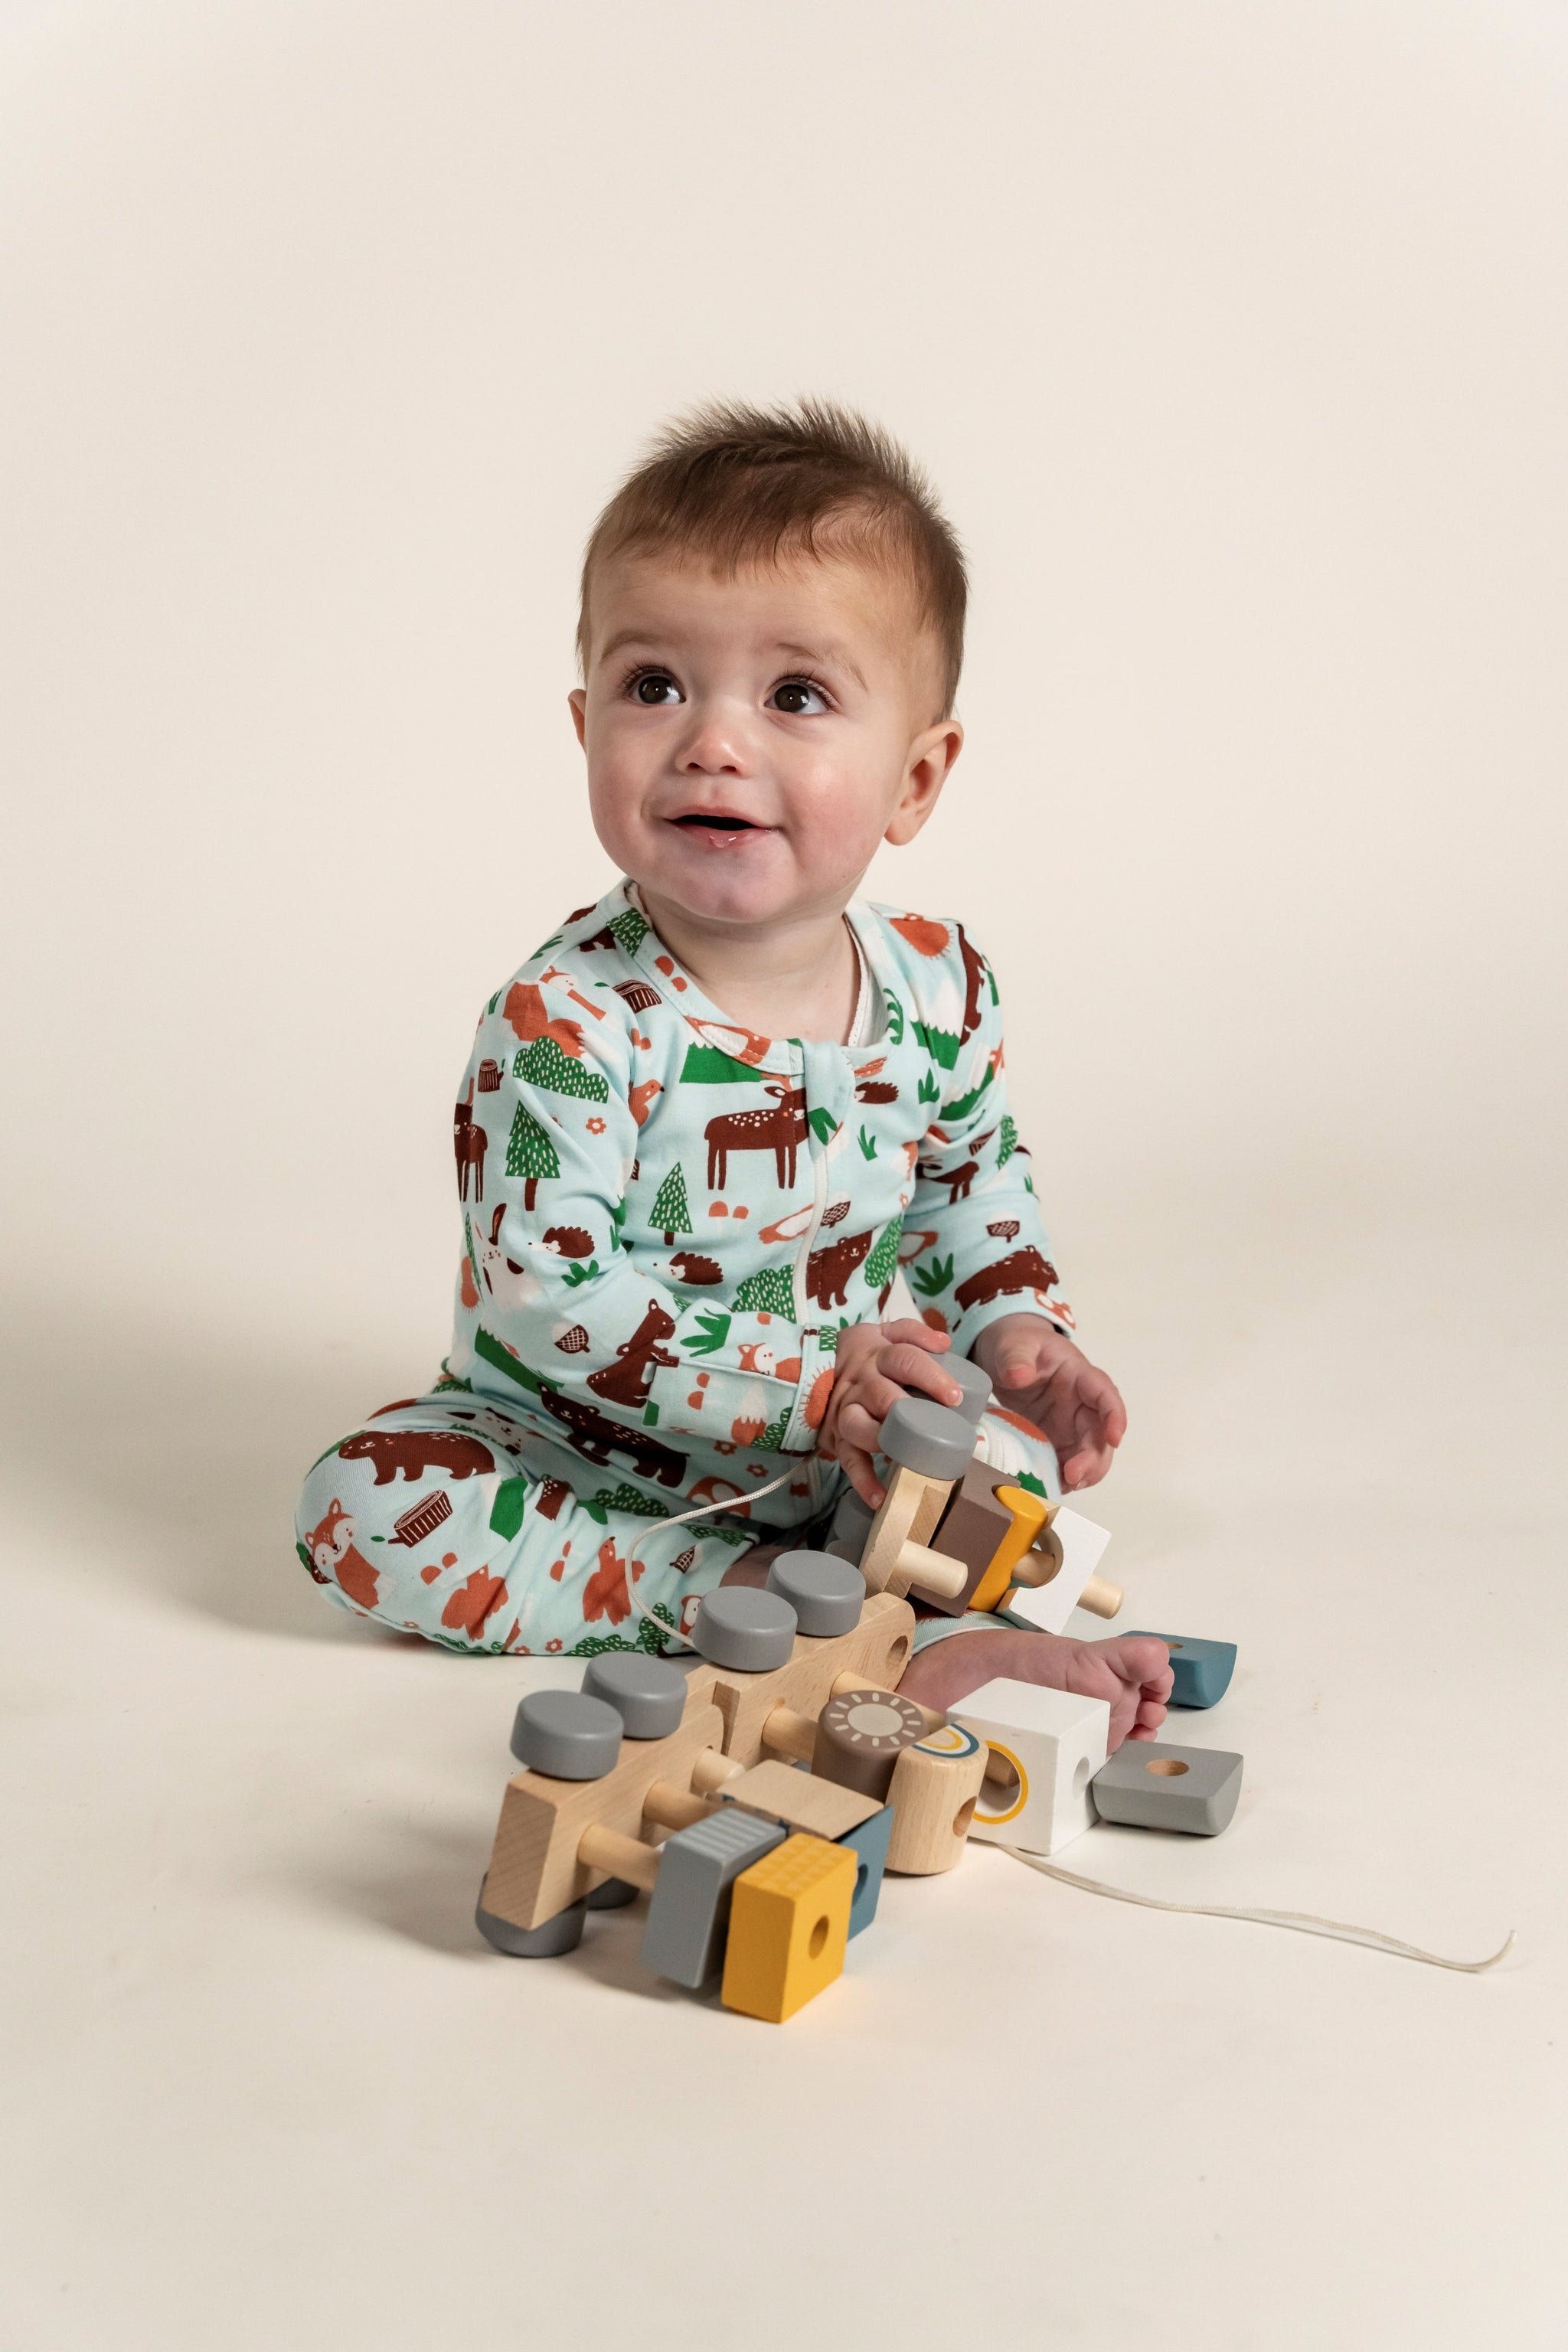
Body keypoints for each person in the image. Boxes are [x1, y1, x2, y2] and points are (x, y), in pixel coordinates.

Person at [295, 400, 1171, 1747]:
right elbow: (549, 1297)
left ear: (915, 779)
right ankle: (734, 1590)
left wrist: (1015, 1328)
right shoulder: (568, 1022)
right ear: (586, 723)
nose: (711, 739)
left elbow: (969, 1179)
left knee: (1010, 1458)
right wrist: (811, 1387)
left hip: (856, 1443)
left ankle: (927, 1611)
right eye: (655, 686)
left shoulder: (940, 987)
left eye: (796, 697)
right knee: (365, 1506)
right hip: (574, 1453)